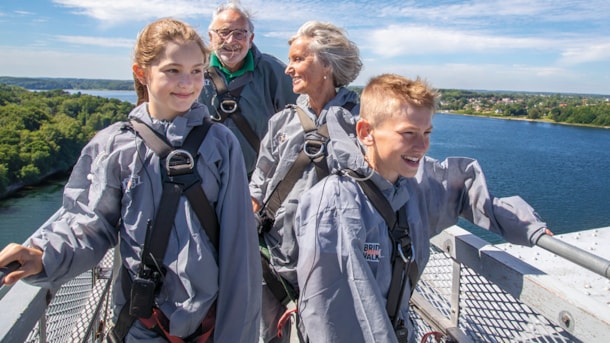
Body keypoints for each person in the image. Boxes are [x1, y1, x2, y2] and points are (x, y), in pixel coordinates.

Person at [0, 18, 261, 342]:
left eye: (196, 71)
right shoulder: (114, 146)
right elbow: (89, 223)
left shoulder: (220, 143)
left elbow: (239, 247)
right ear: (142, 73)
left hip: (206, 325)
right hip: (140, 324)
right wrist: (43, 256)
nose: (188, 82)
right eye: (172, 70)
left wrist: (237, 334)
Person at [294, 74, 552, 343]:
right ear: (366, 133)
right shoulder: (335, 205)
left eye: (427, 132)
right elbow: (337, 314)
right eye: (408, 133)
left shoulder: (412, 186)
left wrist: (528, 226)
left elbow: (462, 189)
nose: (422, 146)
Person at [249, 21, 362, 342]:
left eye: (298, 59)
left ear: (327, 65)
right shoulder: (281, 121)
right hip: (273, 257)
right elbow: (257, 188)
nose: (288, 69)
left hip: (332, 264)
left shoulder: (360, 125)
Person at [200, 1, 297, 177]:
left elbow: (299, 117)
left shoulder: (273, 71)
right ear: (210, 36)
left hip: (255, 180)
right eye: (223, 32)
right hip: (204, 177)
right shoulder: (194, 68)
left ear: (250, 39)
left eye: (239, 34)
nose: (231, 41)